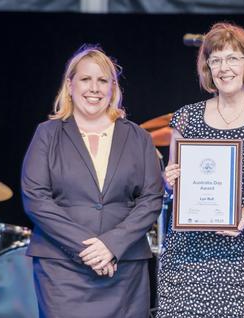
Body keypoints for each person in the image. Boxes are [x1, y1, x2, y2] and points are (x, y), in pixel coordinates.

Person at [21, 45, 163, 318]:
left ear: (113, 88)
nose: (94, 88)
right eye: (86, 79)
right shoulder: (47, 134)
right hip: (61, 267)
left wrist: (111, 245)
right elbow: (35, 198)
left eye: (103, 80)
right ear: (70, 85)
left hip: (124, 267)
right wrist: (89, 248)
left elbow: (151, 199)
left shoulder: (139, 137)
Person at [158, 22, 244, 317]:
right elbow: (173, 188)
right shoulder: (186, 118)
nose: (223, 67)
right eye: (215, 60)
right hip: (187, 258)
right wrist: (169, 182)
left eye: (232, 58)